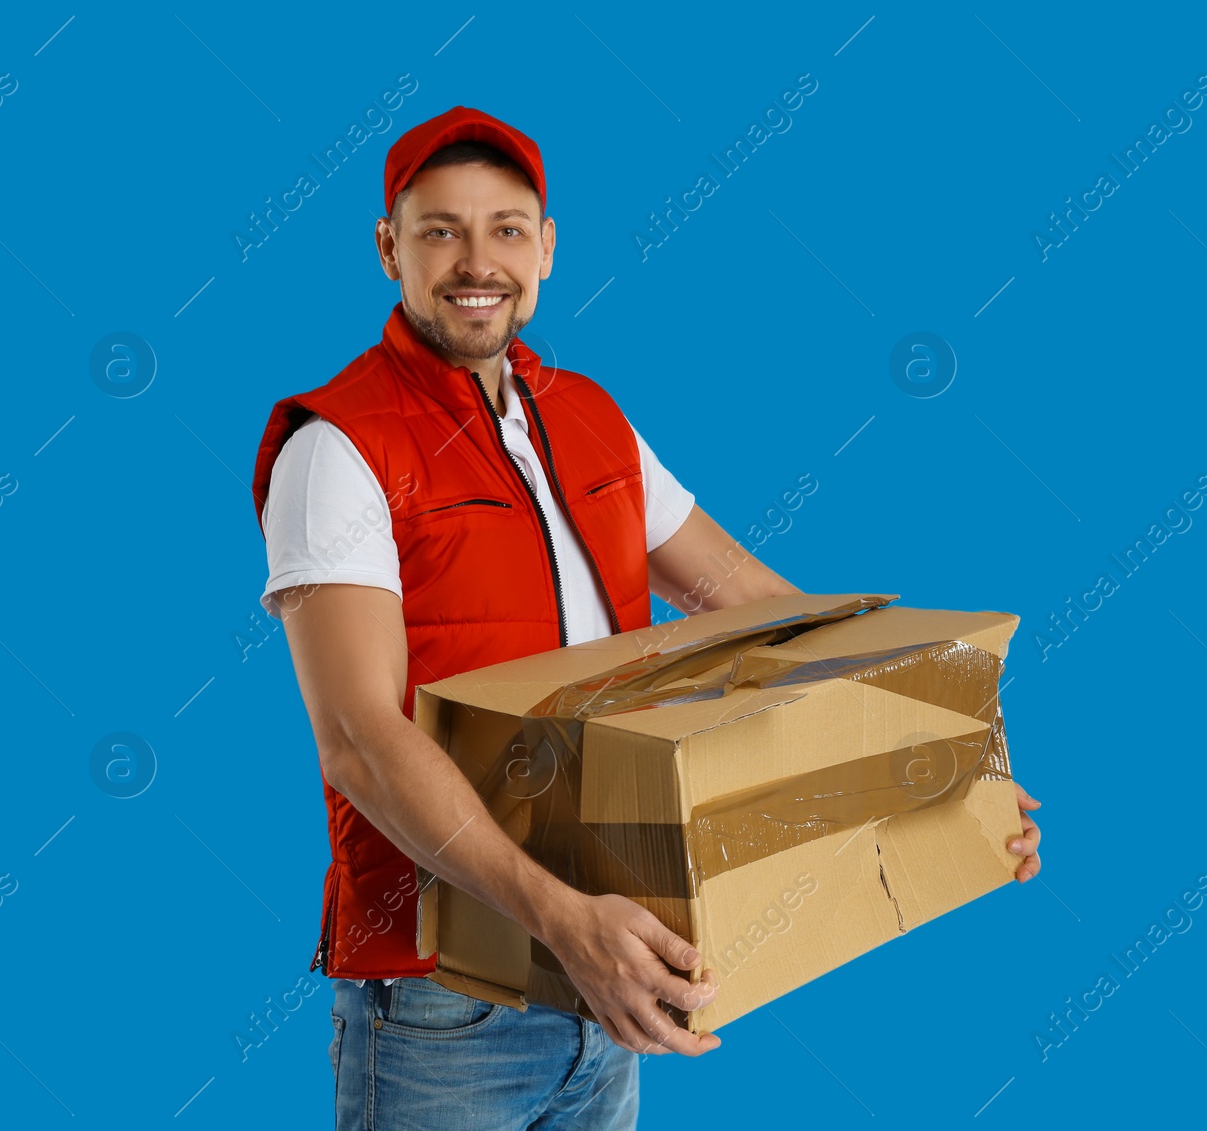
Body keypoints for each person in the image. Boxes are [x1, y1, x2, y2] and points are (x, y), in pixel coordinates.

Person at [250, 105, 1043, 1130]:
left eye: (506, 227)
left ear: (547, 248)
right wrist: (559, 919)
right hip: (447, 1000)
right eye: (439, 229)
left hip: (615, 970)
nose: (474, 260)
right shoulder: (340, 446)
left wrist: (951, 766)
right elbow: (358, 740)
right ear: (387, 248)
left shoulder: (586, 417)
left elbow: (751, 604)